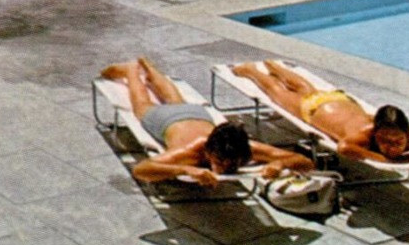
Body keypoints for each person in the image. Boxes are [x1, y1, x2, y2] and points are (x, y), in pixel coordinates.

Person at [101, 57, 311, 187]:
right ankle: (132, 71)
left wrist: (279, 163)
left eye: (232, 164)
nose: (226, 168)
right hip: (165, 120)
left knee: (176, 100)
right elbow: (142, 170)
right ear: (208, 151)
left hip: (196, 114)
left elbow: (304, 161)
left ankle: (150, 68)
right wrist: (184, 170)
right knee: (142, 104)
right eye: (220, 162)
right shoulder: (189, 151)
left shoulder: (244, 149)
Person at [231, 61, 409, 163]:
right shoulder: (362, 135)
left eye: (397, 142)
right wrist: (383, 159)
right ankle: (251, 70)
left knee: (306, 88)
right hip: (313, 110)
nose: (391, 146)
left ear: (407, 134)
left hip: (339, 100)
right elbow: (344, 147)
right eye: (385, 140)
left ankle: (275, 67)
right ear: (375, 132)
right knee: (275, 90)